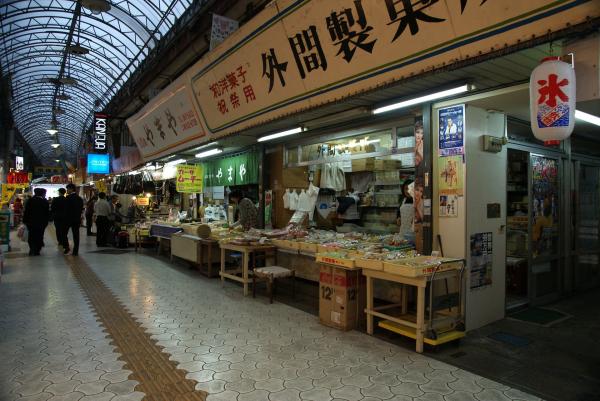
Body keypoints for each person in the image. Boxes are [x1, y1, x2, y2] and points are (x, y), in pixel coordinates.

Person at [22, 188, 49, 256]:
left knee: (31, 236)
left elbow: (26, 211)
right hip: (41, 223)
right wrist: (46, 222)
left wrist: (25, 220)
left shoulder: (30, 200)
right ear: (42, 194)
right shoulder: (44, 201)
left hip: (30, 222)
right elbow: (47, 213)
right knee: (39, 236)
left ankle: (31, 249)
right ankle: (37, 250)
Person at [64, 184, 84, 256]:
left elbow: (65, 209)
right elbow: (81, 209)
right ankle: (75, 251)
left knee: (63, 233)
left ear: (71, 189)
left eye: (67, 189)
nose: (67, 191)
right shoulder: (79, 198)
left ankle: (66, 248)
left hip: (68, 219)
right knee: (76, 235)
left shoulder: (68, 198)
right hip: (76, 219)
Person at [51, 188, 69, 253]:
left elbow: (52, 208)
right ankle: (64, 241)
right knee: (64, 230)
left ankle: (60, 241)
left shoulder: (55, 199)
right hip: (65, 217)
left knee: (58, 229)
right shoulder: (67, 199)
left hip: (57, 217)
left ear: (59, 192)